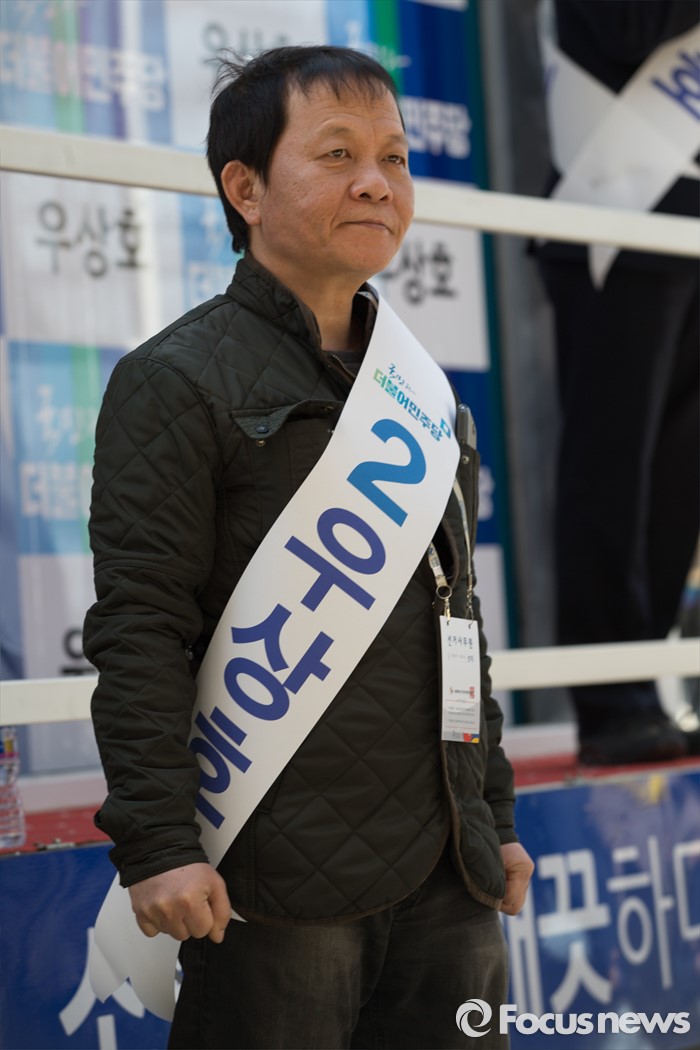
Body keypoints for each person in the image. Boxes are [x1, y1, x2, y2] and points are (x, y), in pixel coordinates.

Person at [84, 45, 533, 1050]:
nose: (376, 182)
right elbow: (140, 628)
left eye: (394, 157)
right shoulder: (175, 379)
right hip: (271, 879)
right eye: (336, 154)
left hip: (449, 873)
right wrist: (157, 844)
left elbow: (458, 623)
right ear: (244, 189)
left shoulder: (420, 392)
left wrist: (493, 817)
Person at [535, 1, 700, 765]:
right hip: (617, 205)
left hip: (684, 222)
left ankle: (644, 681)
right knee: (611, 466)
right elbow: (627, 26)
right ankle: (610, 704)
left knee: (679, 480)